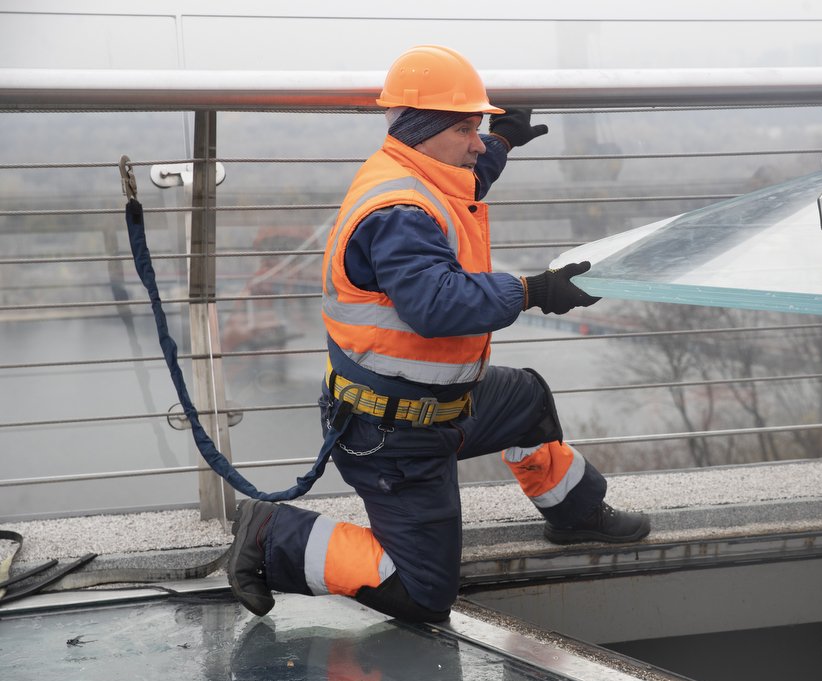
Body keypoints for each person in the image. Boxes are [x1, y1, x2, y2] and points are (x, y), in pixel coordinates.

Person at [228, 45, 650, 624]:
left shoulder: (417, 171)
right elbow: (434, 304)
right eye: (466, 128)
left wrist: (501, 141)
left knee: (526, 397)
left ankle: (574, 512)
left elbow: (465, 185)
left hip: (439, 404)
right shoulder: (398, 210)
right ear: (425, 132)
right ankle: (274, 534)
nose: (476, 141)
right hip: (393, 435)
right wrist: (534, 291)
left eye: (478, 127)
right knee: (423, 594)